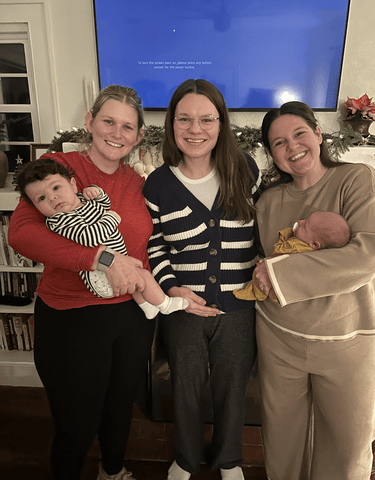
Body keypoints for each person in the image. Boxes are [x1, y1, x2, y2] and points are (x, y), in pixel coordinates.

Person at [8, 85, 155, 480]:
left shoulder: (139, 182)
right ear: (89, 122)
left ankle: (113, 471)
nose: (117, 132)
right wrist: (98, 258)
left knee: (120, 405)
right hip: (71, 317)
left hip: (130, 315)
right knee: (77, 422)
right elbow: (21, 234)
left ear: (140, 136)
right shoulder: (59, 166)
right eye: (108, 121)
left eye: (128, 126)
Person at [252, 101, 375, 480]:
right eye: (278, 143)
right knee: (282, 444)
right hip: (280, 341)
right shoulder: (268, 202)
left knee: (348, 449)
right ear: (271, 154)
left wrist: (279, 276)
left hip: (347, 342)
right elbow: (262, 264)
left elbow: (367, 255)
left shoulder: (358, 179)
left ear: (318, 134)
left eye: (299, 134)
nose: (292, 146)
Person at [143, 79, 263, 480]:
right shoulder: (157, 185)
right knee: (186, 388)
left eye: (206, 119)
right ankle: (185, 457)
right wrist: (172, 289)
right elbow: (155, 247)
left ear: (221, 122)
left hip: (239, 307)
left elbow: (261, 232)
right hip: (182, 308)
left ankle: (229, 459)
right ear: (172, 124)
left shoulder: (245, 169)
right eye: (185, 119)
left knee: (233, 388)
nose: (196, 129)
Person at [16, 158, 188, 319]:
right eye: (41, 198)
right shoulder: (59, 220)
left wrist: (97, 194)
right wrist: (111, 218)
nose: (52, 198)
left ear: (73, 185)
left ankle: (147, 307)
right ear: (36, 207)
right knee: (143, 276)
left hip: (116, 268)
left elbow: (104, 205)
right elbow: (90, 238)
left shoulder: (83, 201)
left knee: (134, 275)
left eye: (55, 188)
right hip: (99, 277)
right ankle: (165, 305)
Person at [234, 211, 350, 302]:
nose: (299, 221)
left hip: (280, 280)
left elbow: (283, 254)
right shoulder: (304, 245)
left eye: (304, 226)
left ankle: (255, 293)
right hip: (276, 272)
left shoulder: (299, 248)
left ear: (314, 244)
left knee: (267, 289)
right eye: (305, 220)